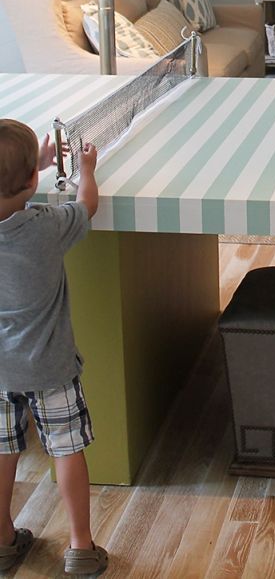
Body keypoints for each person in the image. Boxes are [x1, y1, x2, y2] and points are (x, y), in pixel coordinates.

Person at [0, 120, 108, 576]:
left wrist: (31, 170)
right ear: (31, 180)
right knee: (66, 451)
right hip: (51, 368)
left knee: (3, 452)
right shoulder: (45, 226)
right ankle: (80, 548)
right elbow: (87, 205)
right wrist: (85, 169)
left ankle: (3, 542)